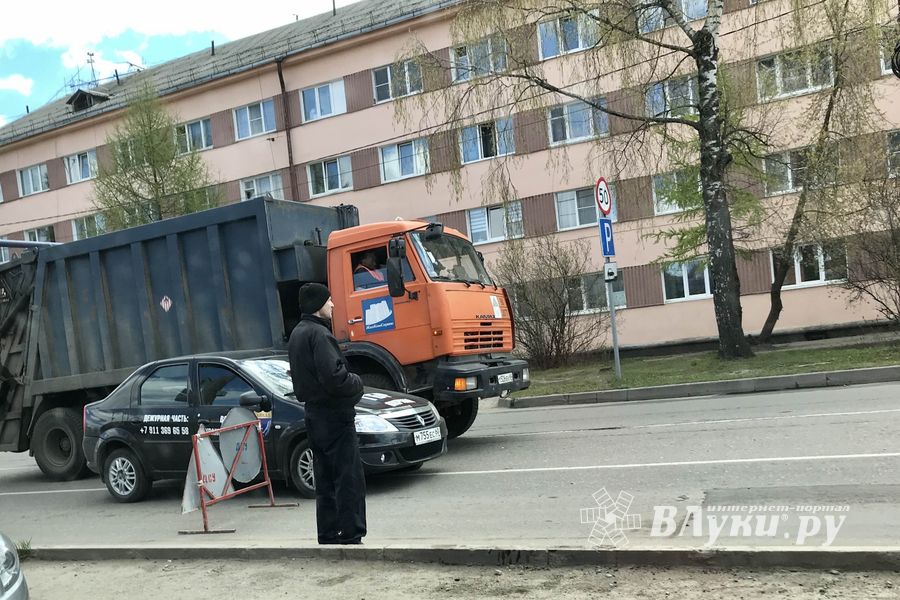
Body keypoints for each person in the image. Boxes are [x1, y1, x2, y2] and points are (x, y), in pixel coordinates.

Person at [288, 282, 366, 544]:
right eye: (328, 300)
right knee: (347, 476)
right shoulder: (320, 335)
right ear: (317, 305)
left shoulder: (298, 333)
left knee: (325, 478)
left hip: (314, 414)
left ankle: (328, 532)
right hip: (335, 415)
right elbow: (335, 378)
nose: (332, 304)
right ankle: (351, 533)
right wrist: (357, 382)